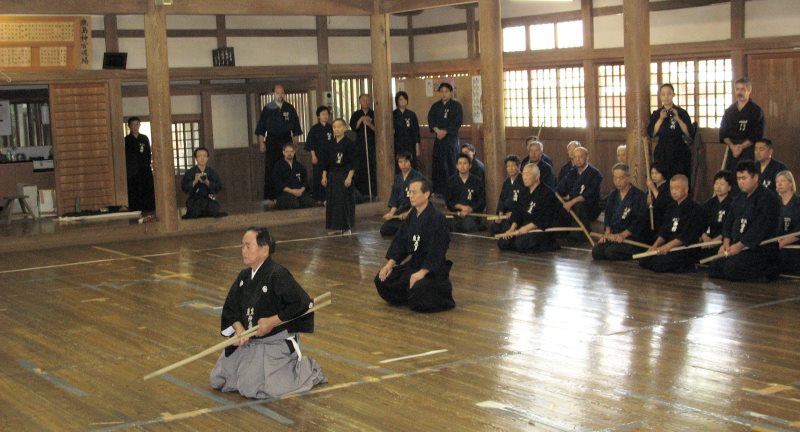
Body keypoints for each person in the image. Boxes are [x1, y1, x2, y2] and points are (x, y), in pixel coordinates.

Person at [210, 226, 327, 399]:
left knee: (252, 388)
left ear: (264, 249)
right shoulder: (244, 277)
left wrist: (272, 321)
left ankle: (307, 369)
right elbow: (231, 308)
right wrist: (239, 329)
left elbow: (302, 303)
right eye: (242, 246)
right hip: (249, 342)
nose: (243, 251)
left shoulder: (278, 274)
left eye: (248, 246)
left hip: (274, 343)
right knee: (219, 379)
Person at [375, 177, 456, 313]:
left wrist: (422, 272)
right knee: (381, 279)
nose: (410, 196)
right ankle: (410, 294)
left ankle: (417, 294)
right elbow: (400, 241)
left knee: (420, 290)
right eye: (409, 192)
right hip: (413, 265)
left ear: (426, 194)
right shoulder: (412, 216)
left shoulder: (437, 219)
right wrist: (389, 265)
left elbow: (437, 249)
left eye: (414, 192)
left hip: (432, 270)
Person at [709, 161, 782, 282]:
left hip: (758, 248)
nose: (740, 182)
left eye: (744, 178)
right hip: (737, 246)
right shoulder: (739, 198)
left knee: (731, 268)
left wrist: (740, 245)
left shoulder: (768, 198)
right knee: (714, 266)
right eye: (738, 178)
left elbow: (760, 227)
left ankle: (766, 273)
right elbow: (728, 221)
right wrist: (726, 242)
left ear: (755, 177)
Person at [639, 175, 705, 273]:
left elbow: (685, 236)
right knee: (644, 260)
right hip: (669, 246)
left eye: (677, 188)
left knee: (658, 264)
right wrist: (655, 245)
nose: (673, 191)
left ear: (686, 189)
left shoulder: (695, 208)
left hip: (684, 248)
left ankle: (686, 266)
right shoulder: (671, 207)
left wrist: (666, 247)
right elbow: (664, 230)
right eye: (671, 188)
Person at [496, 163, 561, 254]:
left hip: (540, 228)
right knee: (503, 243)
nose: (524, 177)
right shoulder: (524, 191)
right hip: (524, 225)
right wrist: (512, 228)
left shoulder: (547, 193)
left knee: (520, 244)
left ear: (537, 177)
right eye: (523, 174)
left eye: (528, 174)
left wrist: (527, 228)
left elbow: (545, 217)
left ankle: (551, 244)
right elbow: (517, 211)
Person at [255, 84, 303, 205]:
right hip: (271, 141)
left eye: (282, 93)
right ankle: (271, 197)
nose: (280, 95)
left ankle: (290, 193)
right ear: (273, 94)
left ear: (284, 94)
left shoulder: (290, 108)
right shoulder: (267, 108)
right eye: (277, 93)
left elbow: (296, 128)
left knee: (290, 166)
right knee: (271, 168)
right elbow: (261, 129)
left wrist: (294, 145)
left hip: (287, 141)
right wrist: (261, 143)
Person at [592, 163, 648, 261]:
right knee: (596, 251)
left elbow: (639, 221)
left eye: (621, 178)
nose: (617, 181)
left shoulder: (639, 196)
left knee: (611, 252)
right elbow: (608, 215)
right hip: (614, 235)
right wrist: (607, 233)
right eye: (615, 178)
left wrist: (623, 235)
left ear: (628, 177)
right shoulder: (613, 195)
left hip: (631, 237)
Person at [719, 77, 764, 175]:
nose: (739, 92)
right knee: (730, 176)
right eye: (737, 89)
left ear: (749, 90)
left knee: (747, 175)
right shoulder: (729, 111)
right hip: (732, 149)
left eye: (742, 89)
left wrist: (741, 146)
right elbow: (723, 132)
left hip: (749, 148)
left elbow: (757, 134)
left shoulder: (756, 111)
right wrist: (732, 146)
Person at [647, 83, 693, 180]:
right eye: (663, 94)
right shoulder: (656, 114)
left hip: (679, 150)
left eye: (669, 94)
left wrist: (678, 119)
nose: (666, 97)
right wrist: (660, 119)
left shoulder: (681, 112)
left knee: (679, 177)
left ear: (673, 95)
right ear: (660, 96)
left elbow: (689, 133)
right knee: (663, 178)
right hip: (662, 151)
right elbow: (652, 133)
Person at [557, 146, 603, 239]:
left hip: (590, 207)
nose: (577, 160)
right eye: (575, 157)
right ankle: (560, 233)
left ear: (587, 157)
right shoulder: (572, 172)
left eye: (580, 157)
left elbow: (589, 194)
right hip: (572, 204)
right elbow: (561, 188)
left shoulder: (595, 174)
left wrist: (572, 201)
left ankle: (579, 235)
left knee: (579, 205)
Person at [322, 119, 357, 235]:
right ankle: (335, 227)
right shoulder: (330, 144)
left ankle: (347, 227)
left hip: (344, 174)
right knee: (333, 202)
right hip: (332, 175)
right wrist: (324, 176)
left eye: (339, 127)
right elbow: (326, 162)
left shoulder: (349, 143)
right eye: (334, 127)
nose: (337, 129)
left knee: (344, 201)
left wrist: (349, 177)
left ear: (344, 128)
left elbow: (353, 163)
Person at [427, 82, 463, 195]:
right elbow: (430, 119)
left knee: (451, 164)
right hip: (439, 139)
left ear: (451, 93)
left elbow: (458, 121)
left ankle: (452, 190)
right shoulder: (435, 106)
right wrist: (437, 130)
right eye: (441, 91)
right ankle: (438, 190)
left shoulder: (456, 106)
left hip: (451, 140)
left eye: (446, 91)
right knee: (438, 164)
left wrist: (446, 131)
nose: (444, 94)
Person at [380, 152, 423, 237]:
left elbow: (419, 199)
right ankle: (406, 230)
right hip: (402, 210)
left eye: (406, 161)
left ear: (410, 162)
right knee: (384, 229)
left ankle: (409, 229)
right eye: (400, 162)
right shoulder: (397, 178)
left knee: (413, 224)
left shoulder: (417, 176)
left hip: (415, 209)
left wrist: (408, 213)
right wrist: (391, 214)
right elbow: (394, 198)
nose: (403, 164)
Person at [181, 147, 225, 219]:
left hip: (209, 198)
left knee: (214, 210)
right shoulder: (190, 172)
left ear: (208, 158)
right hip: (195, 199)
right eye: (199, 156)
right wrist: (195, 181)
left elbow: (218, 186)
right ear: (195, 158)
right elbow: (184, 187)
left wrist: (207, 182)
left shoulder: (212, 172)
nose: (202, 158)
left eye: (204, 156)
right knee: (194, 212)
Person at [446, 154, 486, 233]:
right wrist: (460, 206)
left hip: (472, 214)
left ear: (470, 165)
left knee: (467, 225)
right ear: (456, 166)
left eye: (465, 163)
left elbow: (482, 201)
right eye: (460, 163)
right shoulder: (451, 181)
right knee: (447, 225)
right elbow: (448, 201)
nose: (462, 166)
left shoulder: (476, 181)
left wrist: (470, 209)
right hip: (456, 213)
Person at [124, 116, 155, 212]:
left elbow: (148, 153)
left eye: (137, 124)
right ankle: (135, 209)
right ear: (129, 126)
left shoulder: (144, 138)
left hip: (145, 169)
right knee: (134, 190)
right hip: (132, 171)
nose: (135, 126)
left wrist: (148, 164)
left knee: (147, 189)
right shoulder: (126, 140)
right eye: (133, 124)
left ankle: (149, 209)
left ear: (139, 125)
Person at [350, 94, 377, 200]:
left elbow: (377, 130)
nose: (366, 102)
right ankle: (362, 193)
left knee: (372, 167)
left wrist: (369, 124)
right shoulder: (356, 114)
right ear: (360, 101)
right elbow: (354, 127)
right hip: (360, 144)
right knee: (361, 168)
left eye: (367, 100)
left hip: (371, 144)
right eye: (363, 100)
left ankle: (373, 192)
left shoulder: (374, 114)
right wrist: (361, 119)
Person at [273, 143, 315, 210]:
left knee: (310, 202)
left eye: (291, 151)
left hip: (299, 191)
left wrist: (301, 190)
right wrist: (292, 191)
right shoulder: (278, 166)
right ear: (283, 152)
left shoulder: (299, 166)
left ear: (294, 152)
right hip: (286, 193)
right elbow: (278, 183)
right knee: (294, 203)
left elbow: (305, 182)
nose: (289, 154)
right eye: (287, 151)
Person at [305, 106, 333, 203]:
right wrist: (313, 155)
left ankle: (328, 198)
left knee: (329, 176)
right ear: (318, 116)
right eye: (323, 114)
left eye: (327, 114)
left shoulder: (331, 128)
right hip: (318, 156)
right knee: (317, 176)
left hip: (329, 157)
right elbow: (310, 143)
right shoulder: (314, 129)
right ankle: (318, 198)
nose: (325, 116)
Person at [490, 155, 524, 236]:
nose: (510, 168)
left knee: (506, 228)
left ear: (519, 167)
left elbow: (524, 201)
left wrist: (514, 212)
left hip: (518, 214)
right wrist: (500, 214)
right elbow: (502, 199)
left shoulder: (523, 180)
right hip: (506, 214)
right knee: (494, 228)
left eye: (513, 165)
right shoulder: (507, 182)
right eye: (508, 166)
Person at [700, 170, 735, 245]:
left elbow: (731, 226)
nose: (718, 186)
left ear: (729, 187)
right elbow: (701, 223)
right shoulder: (709, 204)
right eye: (716, 183)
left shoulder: (733, 204)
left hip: (726, 241)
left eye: (722, 184)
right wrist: (704, 237)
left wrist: (717, 240)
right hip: (709, 240)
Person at [775, 171, 799, 275]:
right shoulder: (775, 204)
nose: (779, 184)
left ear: (790, 183)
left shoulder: (798, 203)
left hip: (794, 246)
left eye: (782, 181)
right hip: (776, 243)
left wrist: (785, 241)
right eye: (777, 182)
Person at [392, 91, 421, 170]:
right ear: (397, 101)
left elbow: (416, 132)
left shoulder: (412, 115)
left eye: (405, 99)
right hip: (398, 144)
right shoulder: (393, 114)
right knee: (399, 165)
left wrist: (417, 147)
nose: (403, 101)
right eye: (401, 99)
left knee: (411, 164)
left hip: (410, 144)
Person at [645, 163, 671, 240]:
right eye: (652, 173)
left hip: (663, 222)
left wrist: (653, 187)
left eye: (657, 173)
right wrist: (647, 202)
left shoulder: (668, 187)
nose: (654, 176)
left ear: (663, 173)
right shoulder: (650, 189)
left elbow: (662, 203)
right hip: (653, 223)